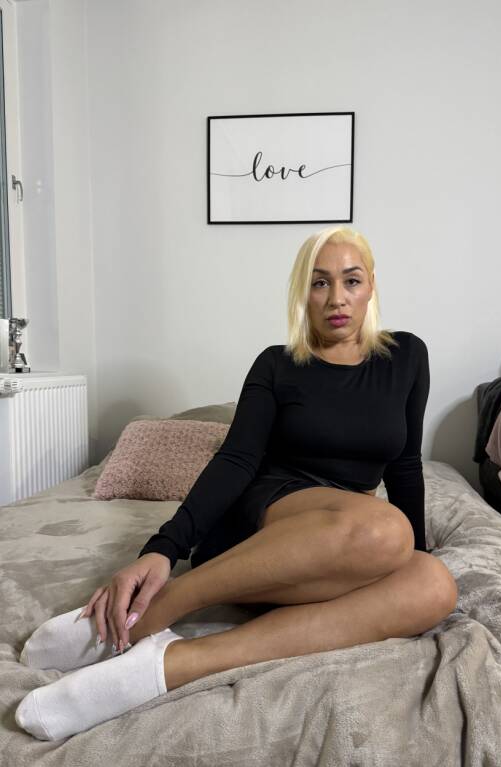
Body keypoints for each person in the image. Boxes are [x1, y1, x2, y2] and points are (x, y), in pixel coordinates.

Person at [15, 225, 458, 740]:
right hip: (272, 513)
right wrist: (164, 548)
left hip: (345, 545)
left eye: (351, 280)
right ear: (303, 292)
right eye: (319, 283)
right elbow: (236, 460)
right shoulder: (277, 364)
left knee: (435, 585)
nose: (337, 297)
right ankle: (155, 610)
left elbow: (404, 464)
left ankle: (169, 666)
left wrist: (412, 557)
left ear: (371, 286)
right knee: (386, 530)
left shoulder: (407, 356)